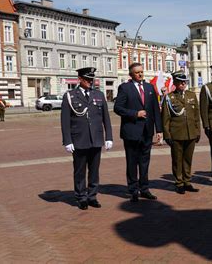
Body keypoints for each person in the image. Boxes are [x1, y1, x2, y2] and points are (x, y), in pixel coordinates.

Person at [61, 67, 113, 210]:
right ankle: (81, 197)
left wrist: (108, 137)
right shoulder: (70, 96)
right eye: (88, 79)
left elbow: (106, 119)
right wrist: (67, 140)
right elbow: (65, 121)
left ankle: (92, 196)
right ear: (80, 80)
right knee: (80, 170)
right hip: (79, 140)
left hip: (96, 139)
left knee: (94, 170)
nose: (91, 82)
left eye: (92, 79)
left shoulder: (99, 95)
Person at [114, 62, 163, 202]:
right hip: (131, 131)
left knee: (144, 162)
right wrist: (135, 114)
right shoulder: (125, 88)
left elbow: (155, 110)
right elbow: (118, 108)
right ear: (131, 74)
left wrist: (159, 130)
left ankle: (145, 189)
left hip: (147, 131)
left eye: (142, 71)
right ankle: (133, 190)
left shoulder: (149, 87)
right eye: (137, 72)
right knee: (132, 162)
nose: (140, 74)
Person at [161, 71, 201, 194]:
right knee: (177, 159)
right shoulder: (169, 98)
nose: (183, 84)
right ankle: (179, 182)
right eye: (180, 82)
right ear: (175, 83)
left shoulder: (191, 95)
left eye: (184, 82)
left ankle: (187, 181)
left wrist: (198, 131)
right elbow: (165, 119)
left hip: (191, 133)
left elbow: (196, 116)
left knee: (188, 158)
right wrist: (167, 135)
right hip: (176, 133)